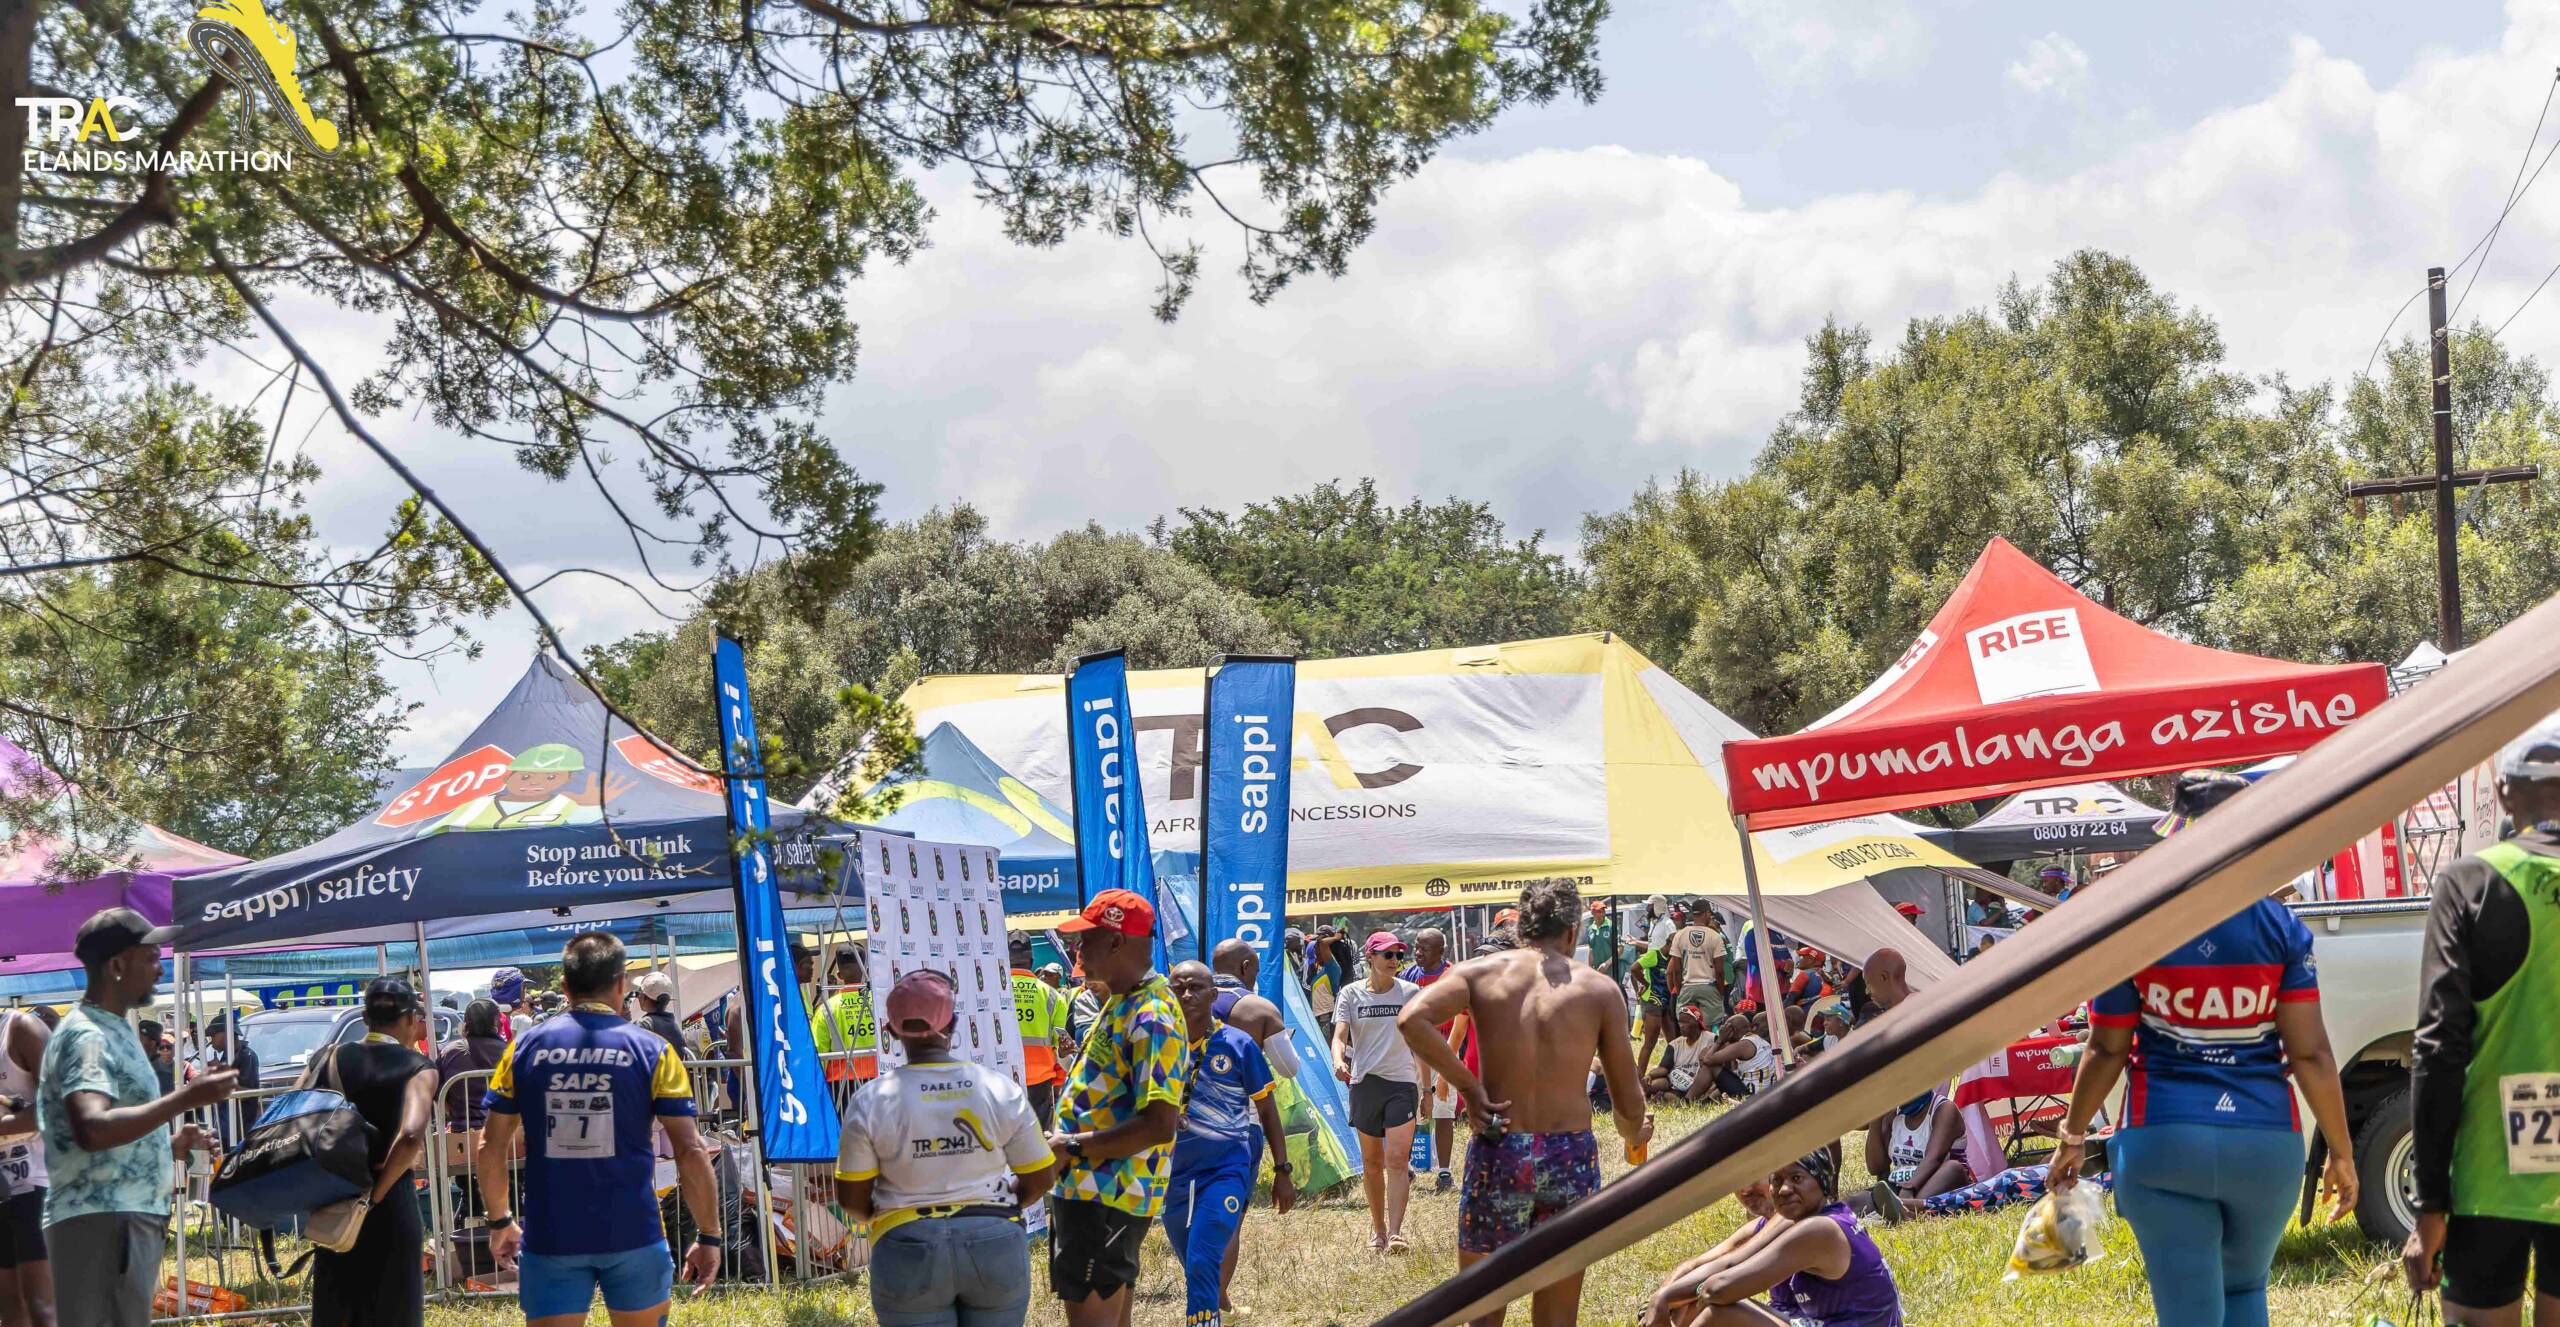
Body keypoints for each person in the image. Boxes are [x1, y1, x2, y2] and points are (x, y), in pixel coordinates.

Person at [2050, 769, 2358, 1327]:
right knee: (2245, 1290)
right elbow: (2310, 1053)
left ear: (2178, 836)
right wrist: (2341, 1151)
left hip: (2164, 1142)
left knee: (2188, 1310)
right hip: (2266, 1146)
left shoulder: (2134, 928)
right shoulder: (2283, 929)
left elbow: (2106, 1049)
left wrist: (2072, 1137)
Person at [1399, 878, 1650, 1327]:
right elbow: (1629, 1106)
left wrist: (1470, 1087)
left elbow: (1412, 1018)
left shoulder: (1480, 974)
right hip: (1569, 1152)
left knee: (1482, 1307)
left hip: (1500, 1145)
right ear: (1572, 931)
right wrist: (1635, 1134)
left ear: (1521, 929)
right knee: (1557, 1315)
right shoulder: (1598, 990)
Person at [479, 932, 723, 1327]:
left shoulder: (523, 1049)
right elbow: (690, 1150)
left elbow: (491, 1144)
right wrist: (709, 1234)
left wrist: (499, 1221)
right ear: (622, 984)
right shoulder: (654, 1051)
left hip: (552, 1236)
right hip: (634, 1233)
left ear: (564, 987)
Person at [2405, 710, 2560, 1323]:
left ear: (2503, 792)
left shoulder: (2471, 882)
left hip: (2489, 1174)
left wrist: (2430, 1204)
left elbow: (2438, 1047)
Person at [37, 908, 235, 1327]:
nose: (160, 969)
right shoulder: (86, 1036)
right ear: (116, 966)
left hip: (120, 1220)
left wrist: (169, 1146)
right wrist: (185, 1098)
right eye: (151, 958)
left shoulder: (114, 1028)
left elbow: (101, 1138)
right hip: (103, 1223)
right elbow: (91, 1128)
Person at [836, 969, 1057, 1327]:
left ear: (891, 1032)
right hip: (994, 1243)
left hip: (907, 1248)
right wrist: (995, 1209)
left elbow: (851, 1199)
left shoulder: (870, 1100)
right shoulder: (997, 1088)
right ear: (953, 1025)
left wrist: (890, 1215)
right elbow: (1041, 1176)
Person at [1045, 890, 1188, 1327]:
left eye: (1086, 939)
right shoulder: (1124, 1001)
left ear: (1115, 942)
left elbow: (1159, 1124)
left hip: (1105, 1195)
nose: (1077, 949)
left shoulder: (1152, 1015)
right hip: (1093, 1193)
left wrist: (1071, 1145)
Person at [1162, 963, 1291, 1327]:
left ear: (1213, 994)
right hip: (1172, 1174)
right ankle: (1217, 1310)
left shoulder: (1238, 1044)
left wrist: (1282, 1170)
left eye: (1196, 987)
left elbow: (1267, 1109)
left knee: (1203, 1256)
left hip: (1225, 1170)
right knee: (1192, 1260)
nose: (1187, 994)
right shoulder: (1158, 1046)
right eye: (1178, 988)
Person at [310, 978, 438, 1327]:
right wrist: (377, 1195)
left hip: (335, 1198)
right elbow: (410, 1134)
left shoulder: (328, 1058)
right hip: (390, 1201)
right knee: (394, 1314)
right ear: (410, 1018)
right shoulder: (419, 1067)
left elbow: (293, 1114)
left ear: (366, 1018)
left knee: (337, 1313)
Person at [1687, 1151, 1903, 1326]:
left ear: (1822, 1181)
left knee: (1717, 1313)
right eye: (1776, 1180)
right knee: (1707, 1309)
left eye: (1796, 1178)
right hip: (1820, 1320)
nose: (1784, 1190)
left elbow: (1719, 1287)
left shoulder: (1817, 1229)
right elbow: (1719, 1264)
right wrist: (1680, 1292)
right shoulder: (1796, 1221)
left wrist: (1694, 1292)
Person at [1205, 940, 1296, 1313]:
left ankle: (1214, 1296)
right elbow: (1289, 1068)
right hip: (1241, 1125)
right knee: (1230, 1217)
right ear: (1245, 967)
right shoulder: (1258, 1008)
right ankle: (1214, 1299)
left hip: (1188, 1124)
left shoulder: (1185, 1002)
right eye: (1256, 968)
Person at [1333, 931, 1421, 1254]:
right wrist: (1338, 1060)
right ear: (1370, 957)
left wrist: (1427, 1087)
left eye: (1398, 955)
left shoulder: (1410, 992)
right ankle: (1379, 1231)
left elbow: (1421, 1040)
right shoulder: (1350, 993)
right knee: (1371, 1163)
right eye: (1387, 954)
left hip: (1402, 1083)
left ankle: (1396, 1233)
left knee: (1396, 1160)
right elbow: (1339, 1036)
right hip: (1365, 1083)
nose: (1394, 960)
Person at [1646, 1180, 1788, 1327]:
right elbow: (1694, 1265)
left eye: (1754, 1175)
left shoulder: (1794, 1219)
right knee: (1691, 1300)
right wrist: (1655, 1303)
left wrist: (1665, 1297)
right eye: (1736, 1179)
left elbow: (1731, 1264)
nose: (1745, 1189)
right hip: (1784, 1317)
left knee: (1717, 1306)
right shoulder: (1760, 1225)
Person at [0, 1002, 54, 1327]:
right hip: (2, 1191)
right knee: (11, 1312)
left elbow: (63, 1102)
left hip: (39, 1184)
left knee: (43, 1310)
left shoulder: (20, 1030)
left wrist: (5, 1125)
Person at [1400, 928, 1459, 1194]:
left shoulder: (1452, 976)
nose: (1418, 953)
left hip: (1445, 1052)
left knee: (1444, 1111)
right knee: (1408, 1111)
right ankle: (1406, 1166)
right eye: (1416, 947)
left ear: (1441, 951)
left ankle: (1444, 1172)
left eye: (1425, 948)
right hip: (1412, 1055)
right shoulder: (1408, 976)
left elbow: (1460, 1019)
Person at [1854, 1090, 1967, 1219]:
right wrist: (1875, 1119)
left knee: (1953, 1168)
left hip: (1938, 1182)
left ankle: (1904, 1209)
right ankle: (1896, 1208)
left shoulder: (1944, 1109)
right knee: (1853, 1202)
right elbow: (1876, 1167)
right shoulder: (1893, 1114)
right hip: (1900, 1186)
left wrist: (1908, 1188)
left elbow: (1933, 1158)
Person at [1010, 932, 1073, 1126]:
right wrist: (1059, 1079)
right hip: (1040, 1080)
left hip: (1002, 1078)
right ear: (1031, 961)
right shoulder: (1053, 996)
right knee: (1041, 1139)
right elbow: (1061, 1044)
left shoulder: (993, 990)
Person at [1665, 900, 1727, 1029]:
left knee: (1688, 1027)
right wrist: (1720, 992)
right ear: (1706, 913)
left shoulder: (1680, 935)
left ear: (1693, 914)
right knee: (1710, 1028)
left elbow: (1676, 970)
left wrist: (1680, 991)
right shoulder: (1715, 936)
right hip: (1709, 987)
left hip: (1687, 987)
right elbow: (1720, 971)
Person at [202, 1014, 261, 1146]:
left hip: (240, 1129)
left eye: (213, 1036)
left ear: (225, 1034)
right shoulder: (227, 1056)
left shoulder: (247, 1056)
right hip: (225, 1129)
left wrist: (220, 1073)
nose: (211, 1041)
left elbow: (247, 1093)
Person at [1645, 1005, 1717, 1103]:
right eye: (1680, 1022)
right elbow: (1664, 1068)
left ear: (1696, 1022)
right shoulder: (1674, 1044)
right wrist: (1650, 1075)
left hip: (1698, 1085)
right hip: (1673, 1081)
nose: (1681, 1025)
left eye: (1685, 1022)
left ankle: (1670, 1097)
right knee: (1649, 1085)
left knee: (1670, 1097)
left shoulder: (1711, 1039)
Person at [630, 972, 682, 1049]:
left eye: (638, 993)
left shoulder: (643, 1025)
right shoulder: (674, 1026)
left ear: (644, 997)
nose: (638, 997)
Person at [489, 968, 532, 1037]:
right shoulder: (500, 1022)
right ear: (515, 991)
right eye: (523, 987)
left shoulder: (488, 1016)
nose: (525, 991)